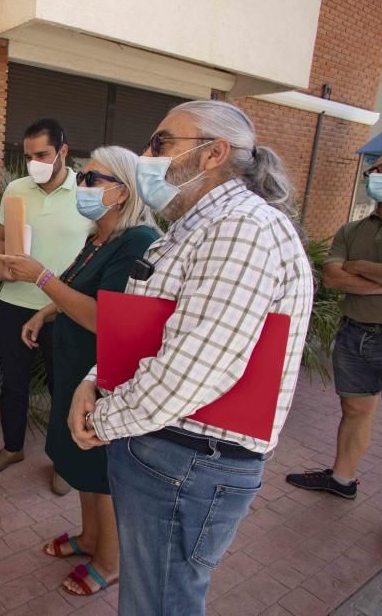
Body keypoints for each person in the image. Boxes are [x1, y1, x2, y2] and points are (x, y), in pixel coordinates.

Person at [68, 101, 314, 615]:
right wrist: (95, 380)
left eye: (160, 143)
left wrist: (102, 417)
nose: (145, 157)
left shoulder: (240, 229)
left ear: (214, 154)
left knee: (159, 604)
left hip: (188, 462)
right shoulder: (197, 226)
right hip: (168, 451)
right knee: (148, 597)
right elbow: (146, 325)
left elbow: (193, 369)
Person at [0, 146, 158, 596]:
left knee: (100, 466)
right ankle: (89, 538)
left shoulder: (137, 242)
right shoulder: (98, 237)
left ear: (123, 192)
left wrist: (39, 277)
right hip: (73, 368)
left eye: (93, 180)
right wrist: (43, 314)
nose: (82, 186)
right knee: (80, 460)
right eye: (84, 177)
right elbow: (71, 289)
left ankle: (109, 562)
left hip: (102, 374)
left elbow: (103, 316)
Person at [286, 146, 382, 559]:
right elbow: (333, 276)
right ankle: (342, 479)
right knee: (354, 411)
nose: (375, 174)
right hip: (355, 333)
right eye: (372, 169)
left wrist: (362, 267)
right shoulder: (353, 228)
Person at [0, 119, 92, 484]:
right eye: (28, 156)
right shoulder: (16, 188)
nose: (34, 163)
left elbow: (98, 249)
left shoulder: (87, 193)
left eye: (42, 154)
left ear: (63, 151)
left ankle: (64, 463)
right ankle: (12, 447)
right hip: (15, 302)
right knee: (13, 383)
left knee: (65, 387)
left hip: (64, 308)